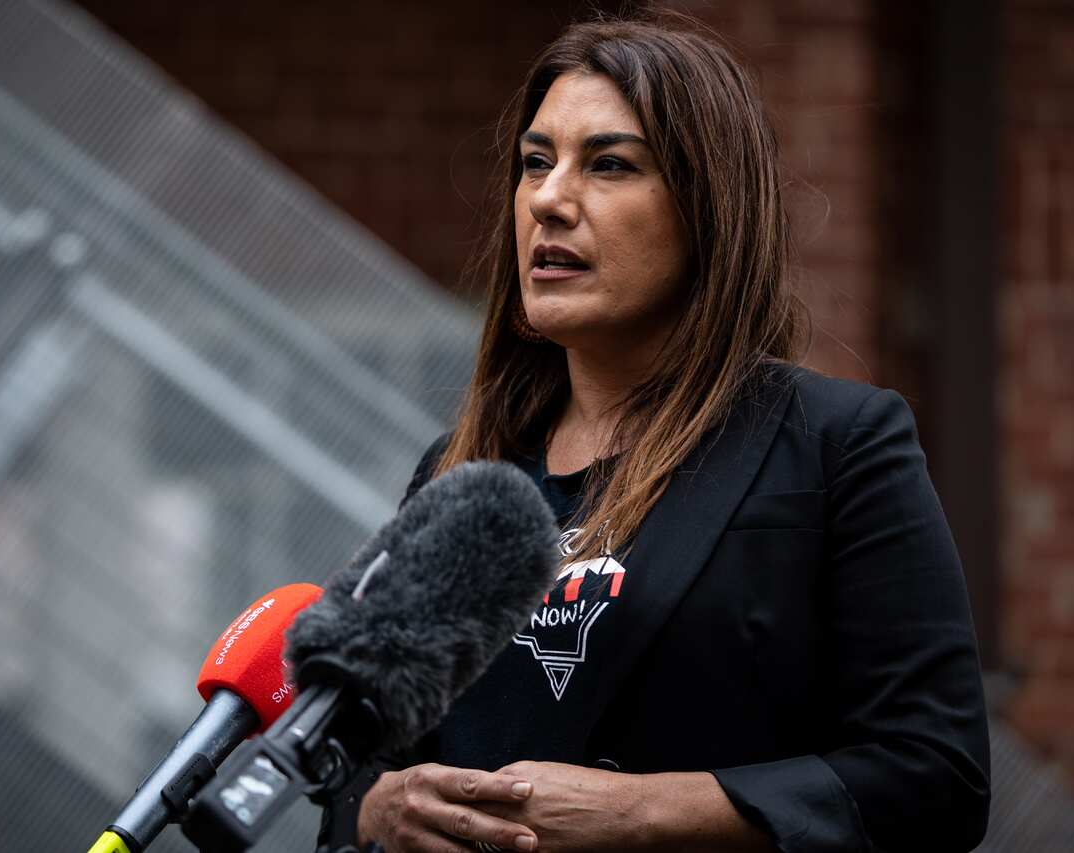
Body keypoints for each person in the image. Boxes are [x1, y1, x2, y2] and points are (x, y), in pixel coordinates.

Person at [330, 12, 990, 853]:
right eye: (536, 162)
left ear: (707, 206)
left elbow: (937, 774)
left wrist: (641, 814)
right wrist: (378, 808)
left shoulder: (833, 445)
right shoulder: (462, 474)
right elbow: (356, 748)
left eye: (608, 165)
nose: (549, 198)